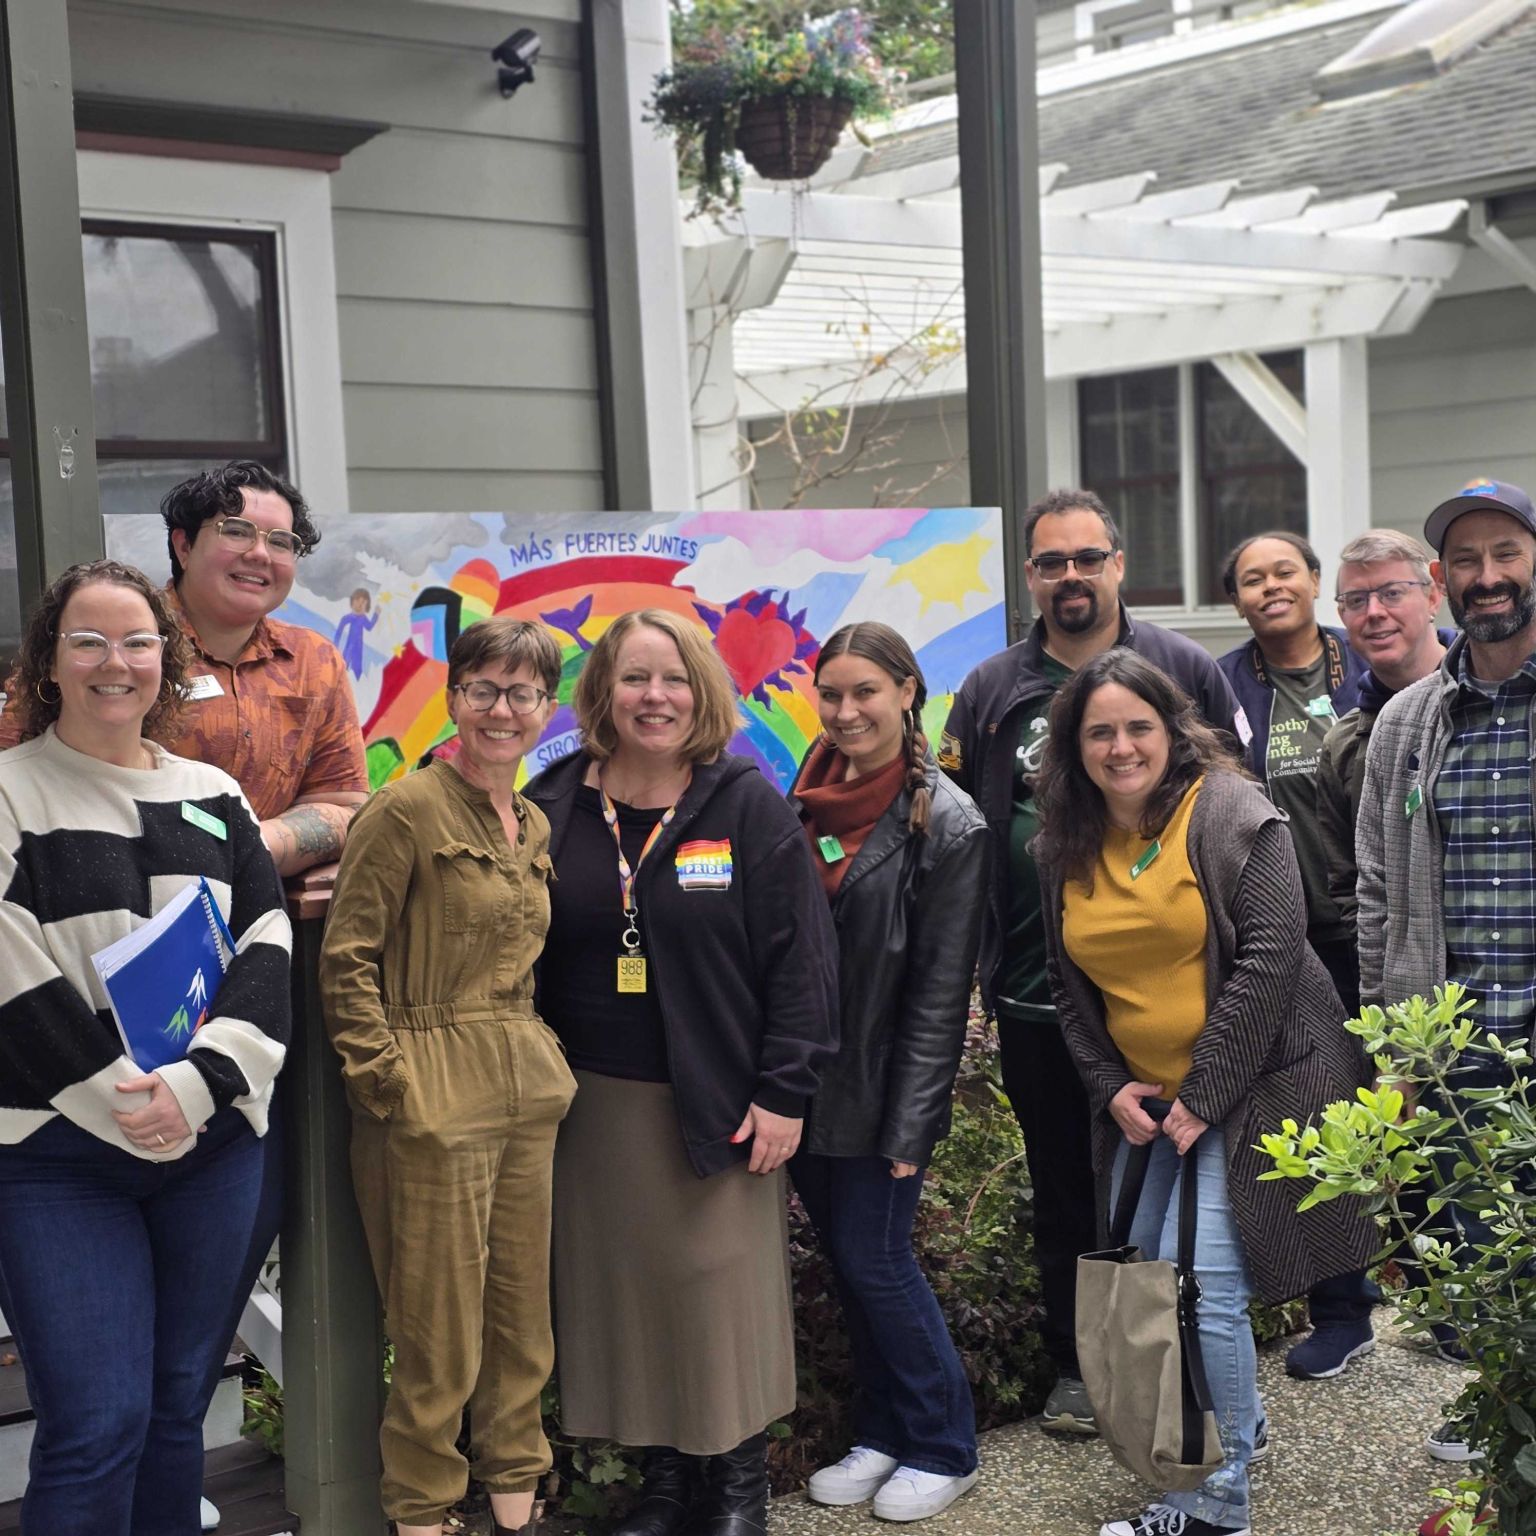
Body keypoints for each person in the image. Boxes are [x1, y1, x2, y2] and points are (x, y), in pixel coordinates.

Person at [1033, 649, 1372, 1536]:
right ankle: (1231, 1435)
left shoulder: (1229, 813)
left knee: (1201, 1284)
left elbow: (1269, 961)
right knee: (1146, 1276)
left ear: (1171, 729)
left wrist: (1204, 1096)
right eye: (1098, 732)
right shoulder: (1062, 841)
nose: (1120, 747)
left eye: (1137, 727)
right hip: (1150, 1100)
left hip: (1260, 1078)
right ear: (1073, 747)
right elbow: (1067, 987)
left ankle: (1217, 1502)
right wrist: (1110, 1085)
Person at [523, 608, 838, 1536]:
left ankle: (735, 1490)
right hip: (587, 1103)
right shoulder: (550, 806)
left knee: (715, 1299)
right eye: (633, 677)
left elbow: (804, 963)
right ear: (602, 694)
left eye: (672, 678)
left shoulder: (745, 803)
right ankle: (664, 1488)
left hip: (714, 1099)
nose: (653, 696)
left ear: (701, 691)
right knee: (627, 1299)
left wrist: (785, 1089)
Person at [940, 488, 1240, 1434]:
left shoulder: (1183, 667)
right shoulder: (990, 689)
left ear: (1118, 562)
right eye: (1050, 562)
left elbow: (1238, 815)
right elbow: (957, 834)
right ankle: (1084, 1368)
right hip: (1037, 997)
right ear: (1030, 576)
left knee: (1175, 1195)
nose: (1070, 576)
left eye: (1087, 557)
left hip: (1168, 1002)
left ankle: (1190, 1368)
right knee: (1064, 1189)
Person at [0, 559, 291, 1534]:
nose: (113, 662)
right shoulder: (10, 793)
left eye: (136, 641)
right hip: (55, 1158)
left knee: (177, 1414)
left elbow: (268, 940)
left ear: (166, 661)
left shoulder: (214, 793)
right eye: (87, 639)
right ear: (48, 660)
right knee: (97, 1422)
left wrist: (199, 1090)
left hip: (212, 1152)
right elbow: (11, 977)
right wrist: (130, 1099)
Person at [319, 617, 572, 1536]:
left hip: (523, 1091)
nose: (502, 709)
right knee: (436, 1339)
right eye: (483, 690)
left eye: (523, 693)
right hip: (427, 1095)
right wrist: (388, 1087)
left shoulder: (535, 818)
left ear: (548, 708)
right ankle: (423, 1516)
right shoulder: (405, 809)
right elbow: (347, 960)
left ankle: (515, 1515)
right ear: (455, 697)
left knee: (521, 1328)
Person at [787, 623, 989, 1522]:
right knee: (848, 1262)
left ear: (908, 691)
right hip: (805, 1083)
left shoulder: (950, 822)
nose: (845, 711)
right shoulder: (803, 794)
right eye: (831, 692)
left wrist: (913, 1126)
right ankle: (882, 1431)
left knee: (878, 1260)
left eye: (865, 691)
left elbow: (942, 995)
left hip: (880, 1093)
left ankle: (945, 1444)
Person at [1357, 477, 1536, 1470]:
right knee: (1482, 1249)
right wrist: (1395, 1047)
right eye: (1465, 562)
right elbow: (1379, 894)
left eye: (1505, 553)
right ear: (1441, 583)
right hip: (1462, 1043)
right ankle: (1501, 1413)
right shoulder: (1409, 725)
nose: (1487, 577)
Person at [1216, 531, 1378, 1381]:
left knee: (1411, 1102)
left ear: (1314, 583)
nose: (1271, 587)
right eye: (1252, 578)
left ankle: (1450, 1289)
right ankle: (1342, 1310)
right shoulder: (1225, 682)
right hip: (1290, 940)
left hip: (1380, 930)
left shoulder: (1368, 661)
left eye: (1285, 571)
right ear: (1237, 598)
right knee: (1319, 1117)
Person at [1316, 530, 1448, 929]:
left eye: (1392, 593)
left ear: (1433, 597)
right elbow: (1347, 883)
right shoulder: (1343, 746)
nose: (1373, 612)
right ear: (1342, 617)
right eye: (1356, 600)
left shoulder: (1497, 704)